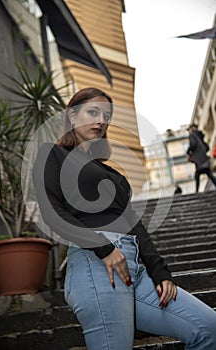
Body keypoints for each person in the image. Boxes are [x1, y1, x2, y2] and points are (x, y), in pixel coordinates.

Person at [33, 88, 216, 350]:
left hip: (134, 270)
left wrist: (159, 271)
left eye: (106, 115)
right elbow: (52, 213)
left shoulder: (108, 172)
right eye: (92, 112)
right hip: (96, 264)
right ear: (72, 116)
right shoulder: (52, 154)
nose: (100, 121)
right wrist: (104, 248)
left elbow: (133, 223)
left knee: (208, 328)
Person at [187, 124, 216, 192]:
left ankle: (197, 191)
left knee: (197, 174)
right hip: (204, 158)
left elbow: (193, 144)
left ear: (192, 129)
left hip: (199, 159)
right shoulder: (199, 136)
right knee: (207, 173)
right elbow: (206, 148)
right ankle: (197, 191)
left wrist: (188, 152)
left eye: (189, 129)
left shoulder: (192, 135)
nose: (189, 131)